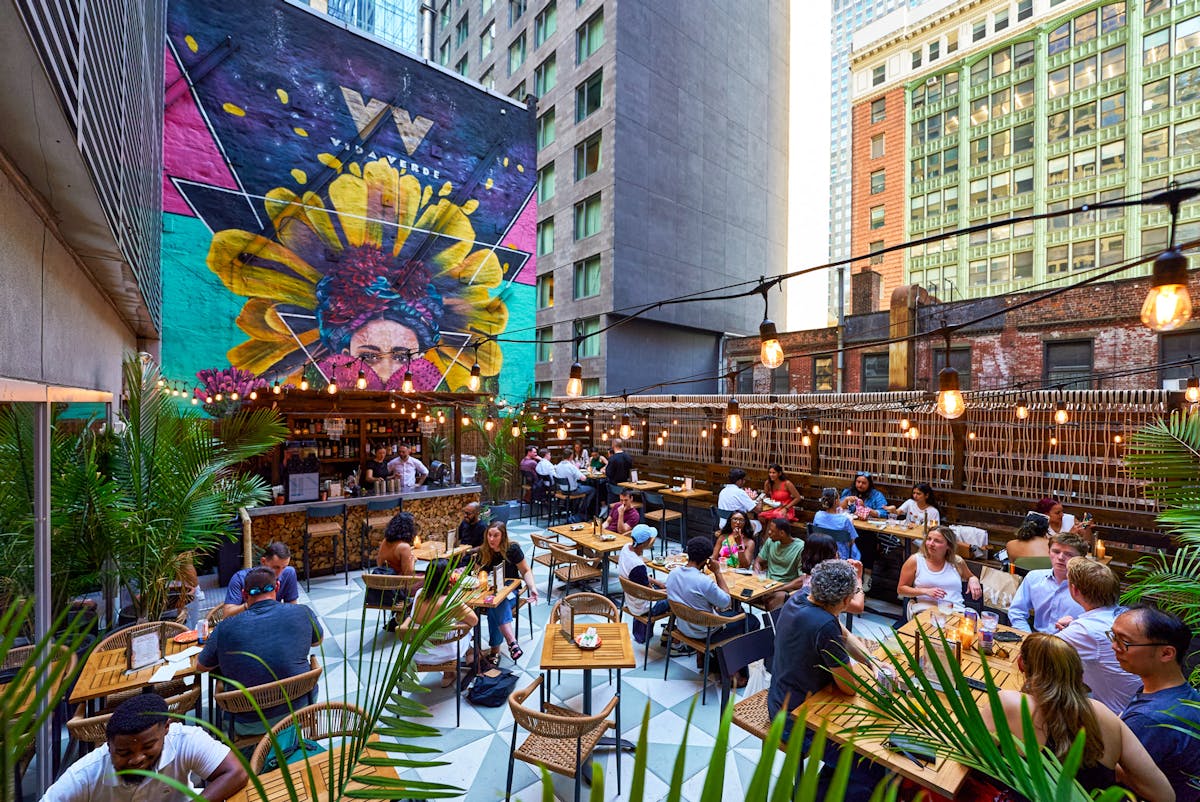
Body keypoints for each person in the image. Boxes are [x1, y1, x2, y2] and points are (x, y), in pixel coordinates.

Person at [979, 634, 1173, 801]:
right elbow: (1164, 795)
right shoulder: (1104, 713)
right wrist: (1106, 772)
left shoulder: (1010, 703)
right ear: (1078, 673)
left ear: (1021, 664)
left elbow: (967, 754)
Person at [768, 559, 883, 801]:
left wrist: (872, 662)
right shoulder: (823, 625)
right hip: (796, 721)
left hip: (782, 699)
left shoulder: (802, 598)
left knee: (859, 752)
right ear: (843, 602)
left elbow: (844, 632)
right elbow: (849, 688)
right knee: (872, 763)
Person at [44, 693, 247, 802]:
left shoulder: (184, 740)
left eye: (149, 746)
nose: (137, 759)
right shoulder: (86, 775)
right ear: (108, 745)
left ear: (166, 729)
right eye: (123, 752)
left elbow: (236, 772)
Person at [198, 567, 323, 730]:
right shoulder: (303, 612)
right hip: (300, 708)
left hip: (247, 721)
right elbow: (317, 641)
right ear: (277, 587)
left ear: (244, 594)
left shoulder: (224, 628)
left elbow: (201, 667)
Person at [1112, 605, 1200, 802]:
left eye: (1124, 642)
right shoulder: (1184, 694)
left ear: (1166, 653)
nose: (1114, 646)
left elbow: (1116, 768)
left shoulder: (1150, 718)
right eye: (1114, 637)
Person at [1056, 557, 1141, 714]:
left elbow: (1035, 655)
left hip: (1116, 719)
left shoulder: (1085, 630)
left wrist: (1063, 632)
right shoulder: (1124, 615)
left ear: (1074, 590)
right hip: (1137, 706)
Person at [665, 536, 760, 661]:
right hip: (705, 633)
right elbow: (726, 602)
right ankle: (734, 663)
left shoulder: (673, 573)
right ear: (707, 559)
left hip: (683, 627)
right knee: (751, 620)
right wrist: (717, 572)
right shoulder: (703, 582)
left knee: (730, 613)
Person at [409, 558, 479, 687]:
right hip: (444, 654)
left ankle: (450, 672)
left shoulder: (419, 594)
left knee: (443, 627)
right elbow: (474, 621)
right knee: (461, 629)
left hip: (419, 652)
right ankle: (462, 661)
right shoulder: (449, 601)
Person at [476, 522, 538, 663]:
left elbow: (525, 571)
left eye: (496, 535)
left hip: (511, 590)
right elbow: (477, 572)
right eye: (489, 535)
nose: (491, 539)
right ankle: (512, 645)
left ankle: (497, 650)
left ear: (503, 536)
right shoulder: (483, 551)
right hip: (489, 591)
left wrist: (532, 587)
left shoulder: (512, 549)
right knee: (494, 604)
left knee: (497, 603)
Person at [1007, 533, 1088, 633]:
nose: (1061, 557)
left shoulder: (1089, 587)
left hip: (1071, 643)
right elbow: (1017, 611)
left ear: (1081, 558)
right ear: (1049, 552)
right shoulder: (1034, 578)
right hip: (1037, 638)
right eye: (1056, 552)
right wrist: (1027, 636)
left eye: (1068, 554)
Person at [897, 525, 981, 619]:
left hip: (956, 610)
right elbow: (901, 589)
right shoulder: (915, 560)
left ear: (948, 546)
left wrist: (974, 579)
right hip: (926, 610)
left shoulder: (957, 562)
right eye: (929, 539)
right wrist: (925, 591)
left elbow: (970, 576)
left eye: (937, 541)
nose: (931, 543)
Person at [617, 524, 668, 643]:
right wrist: (668, 592)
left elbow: (641, 578)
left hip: (631, 599)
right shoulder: (638, 566)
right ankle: (671, 635)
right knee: (677, 598)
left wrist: (658, 583)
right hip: (642, 606)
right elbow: (650, 593)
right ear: (646, 543)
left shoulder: (626, 548)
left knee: (666, 586)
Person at [838, 471, 889, 590]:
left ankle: (866, 577)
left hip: (868, 530)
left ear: (869, 484)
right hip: (849, 527)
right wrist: (845, 501)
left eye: (864, 483)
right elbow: (837, 508)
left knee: (867, 540)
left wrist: (867, 509)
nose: (860, 485)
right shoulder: (848, 492)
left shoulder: (876, 495)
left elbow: (884, 513)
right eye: (858, 482)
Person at [222, 542, 299, 618]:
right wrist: (250, 604)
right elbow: (227, 614)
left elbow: (292, 607)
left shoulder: (288, 573)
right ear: (263, 561)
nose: (280, 573)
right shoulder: (239, 578)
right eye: (276, 567)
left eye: (284, 567)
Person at [797, 535, 867, 615]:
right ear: (833, 556)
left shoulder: (810, 576)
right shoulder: (823, 585)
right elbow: (858, 608)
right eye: (836, 552)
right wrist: (858, 578)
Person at [755, 519, 807, 610]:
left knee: (776, 599)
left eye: (772, 531)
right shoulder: (770, 541)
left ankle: (773, 623)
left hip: (785, 586)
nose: (769, 533)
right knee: (743, 592)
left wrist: (778, 588)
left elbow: (802, 579)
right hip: (767, 584)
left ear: (782, 533)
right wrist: (757, 574)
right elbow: (758, 561)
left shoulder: (800, 547)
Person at [811, 488, 860, 560]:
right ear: (836, 501)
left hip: (821, 552)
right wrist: (851, 523)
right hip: (840, 556)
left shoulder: (818, 515)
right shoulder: (845, 520)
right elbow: (852, 541)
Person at [717, 468, 764, 534]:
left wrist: (750, 500)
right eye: (743, 480)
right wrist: (761, 499)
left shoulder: (723, 491)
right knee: (759, 524)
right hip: (736, 526)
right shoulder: (740, 492)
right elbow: (758, 510)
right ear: (739, 481)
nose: (744, 482)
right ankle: (748, 542)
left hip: (723, 525)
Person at [553, 446, 595, 519]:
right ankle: (582, 510)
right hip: (572, 491)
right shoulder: (571, 466)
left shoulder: (558, 465)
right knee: (592, 490)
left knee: (579, 485)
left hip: (562, 490)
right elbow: (583, 478)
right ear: (571, 456)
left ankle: (575, 509)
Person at [377, 511, 418, 576]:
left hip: (384, 579)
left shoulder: (385, 540)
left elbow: (379, 562)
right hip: (397, 583)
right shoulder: (404, 547)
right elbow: (408, 574)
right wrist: (412, 561)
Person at [604, 438, 633, 504]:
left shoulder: (612, 458)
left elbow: (609, 474)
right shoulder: (628, 457)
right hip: (626, 486)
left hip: (614, 487)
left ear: (613, 445)